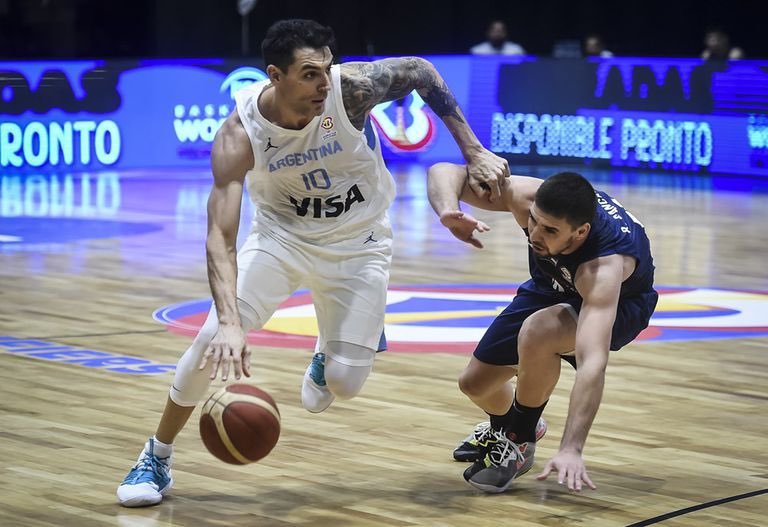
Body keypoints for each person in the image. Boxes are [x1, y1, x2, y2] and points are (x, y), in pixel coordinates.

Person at [116, 19, 508, 507]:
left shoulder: (351, 91)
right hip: (282, 240)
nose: (323, 83)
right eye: (308, 74)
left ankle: (329, 350)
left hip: (361, 242)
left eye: (325, 68)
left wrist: (474, 149)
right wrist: (232, 324)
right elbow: (220, 236)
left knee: (342, 385)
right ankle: (156, 455)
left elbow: (423, 72)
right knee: (210, 340)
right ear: (275, 75)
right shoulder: (241, 133)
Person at [427, 164, 657, 493]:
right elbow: (444, 171)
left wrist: (571, 449)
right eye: (534, 220)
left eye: (550, 230)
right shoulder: (526, 197)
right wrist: (449, 210)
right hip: (553, 284)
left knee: (539, 331)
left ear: (580, 233)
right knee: (475, 385)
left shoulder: (602, 267)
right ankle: (508, 426)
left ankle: (518, 440)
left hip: (622, 304)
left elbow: (592, 363)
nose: (535, 234)